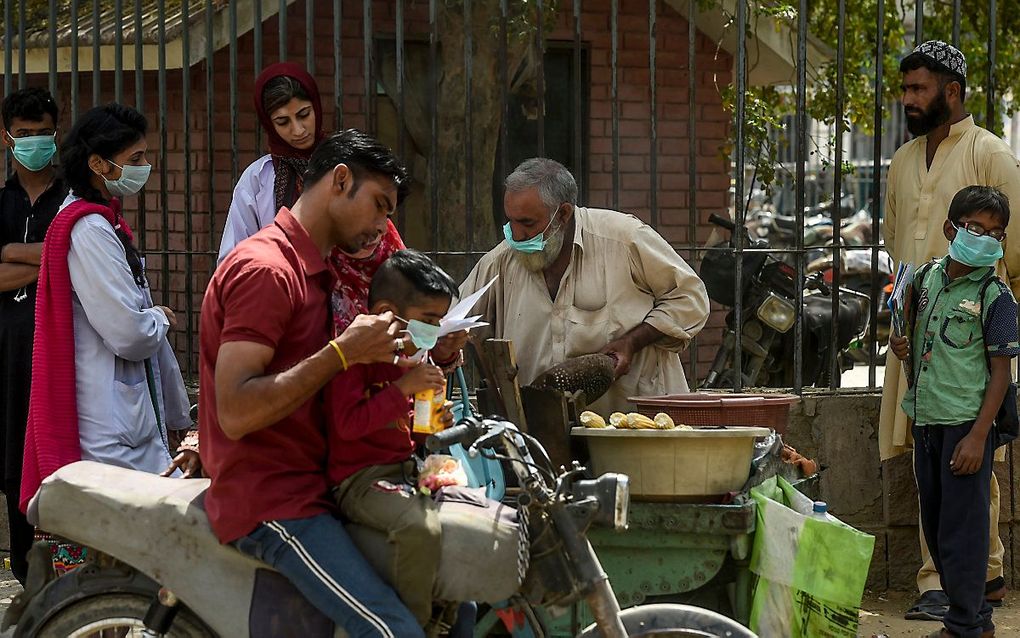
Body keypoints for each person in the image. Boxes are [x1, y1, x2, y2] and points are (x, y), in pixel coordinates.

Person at [199, 128, 424, 637]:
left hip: (321, 481)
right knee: (395, 631)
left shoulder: (321, 270)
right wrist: (342, 354)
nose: (382, 227)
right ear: (340, 180)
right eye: (379, 205)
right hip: (273, 498)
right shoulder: (267, 270)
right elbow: (234, 410)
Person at [880, 40, 1020, 621]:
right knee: (930, 456)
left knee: (972, 455)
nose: (909, 100)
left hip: (974, 333)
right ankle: (969, 577)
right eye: (906, 89)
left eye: (920, 89)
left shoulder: (992, 153)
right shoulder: (903, 159)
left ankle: (958, 579)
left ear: (952, 91)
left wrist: (996, 333)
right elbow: (895, 244)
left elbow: (1014, 252)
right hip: (917, 329)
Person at [20, 103, 195, 514]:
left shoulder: (106, 222)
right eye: (135, 159)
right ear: (98, 163)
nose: (145, 166)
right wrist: (160, 318)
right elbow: (129, 334)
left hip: (125, 417)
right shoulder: (90, 230)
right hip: (111, 424)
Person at [460, 157, 710, 414]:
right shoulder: (503, 259)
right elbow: (456, 318)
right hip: (545, 430)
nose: (517, 235)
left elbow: (690, 298)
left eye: (527, 224)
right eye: (510, 221)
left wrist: (632, 342)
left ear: (564, 214)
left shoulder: (623, 238)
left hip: (633, 422)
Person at [890, 185, 1019, 638]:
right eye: (975, 228)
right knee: (939, 526)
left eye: (995, 233)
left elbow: (1001, 374)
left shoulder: (995, 296)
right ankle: (975, 619)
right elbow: (914, 340)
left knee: (964, 533)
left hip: (967, 426)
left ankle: (963, 625)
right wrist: (900, 346)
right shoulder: (924, 280)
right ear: (950, 229)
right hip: (927, 420)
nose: (985, 239)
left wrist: (979, 437)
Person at [327, 249, 457, 627]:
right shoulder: (355, 356)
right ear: (387, 310)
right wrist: (401, 389)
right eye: (428, 319)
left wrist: (434, 422)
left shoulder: (413, 356)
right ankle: (413, 626)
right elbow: (347, 425)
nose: (434, 330)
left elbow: (409, 430)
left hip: (405, 469)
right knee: (420, 528)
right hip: (358, 479)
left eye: (438, 320)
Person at [216, 61, 404, 273]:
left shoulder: (348, 165)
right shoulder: (258, 178)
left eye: (304, 114)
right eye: (283, 122)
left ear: (316, 106)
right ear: (269, 124)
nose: (298, 130)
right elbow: (232, 259)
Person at [0, 87, 68, 583]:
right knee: (11, 471)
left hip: (56, 354)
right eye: (24, 136)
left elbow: (77, 260)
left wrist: (13, 254)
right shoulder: (0, 201)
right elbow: (61, 258)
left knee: (57, 465)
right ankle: (26, 581)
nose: (33, 144)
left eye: (43, 134)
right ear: (7, 138)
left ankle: (66, 583)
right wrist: (50, 255)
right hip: (6, 358)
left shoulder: (72, 199)